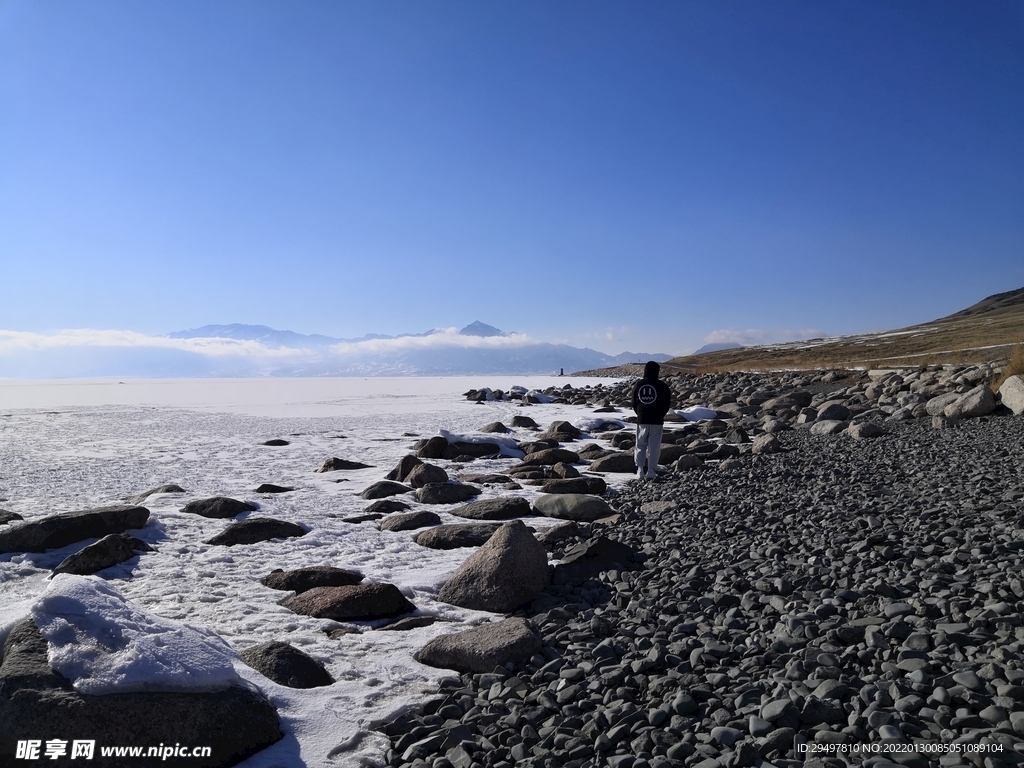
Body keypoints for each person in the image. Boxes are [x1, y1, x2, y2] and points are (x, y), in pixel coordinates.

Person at [631, 360, 672, 480]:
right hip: (657, 420)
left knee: (640, 444)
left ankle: (639, 470)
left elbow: (634, 402)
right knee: (654, 445)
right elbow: (666, 404)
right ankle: (650, 470)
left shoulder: (639, 384)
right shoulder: (662, 386)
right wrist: (661, 415)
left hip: (642, 419)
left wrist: (639, 413)